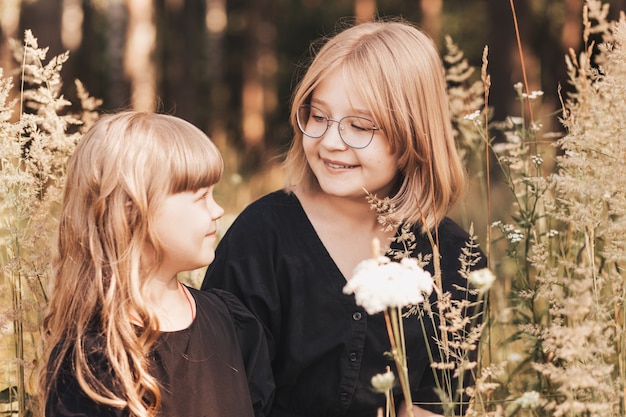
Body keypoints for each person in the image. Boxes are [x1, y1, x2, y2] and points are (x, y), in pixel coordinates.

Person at [202, 19, 487, 417]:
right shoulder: (260, 238)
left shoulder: (454, 258)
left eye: (359, 125)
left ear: (412, 138)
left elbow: (436, 403)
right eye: (318, 117)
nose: (331, 142)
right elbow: (224, 394)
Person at [39, 111, 274, 417]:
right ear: (133, 211)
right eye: (201, 196)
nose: (217, 210)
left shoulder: (231, 320)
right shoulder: (92, 361)